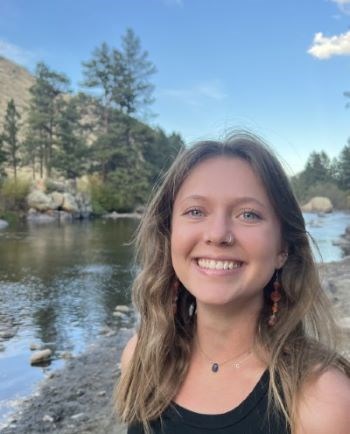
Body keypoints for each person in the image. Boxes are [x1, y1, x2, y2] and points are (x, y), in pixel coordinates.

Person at [115, 132, 350, 434]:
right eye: (196, 211)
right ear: (169, 233)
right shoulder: (141, 358)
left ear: (283, 248)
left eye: (248, 214)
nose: (217, 234)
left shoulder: (324, 402)